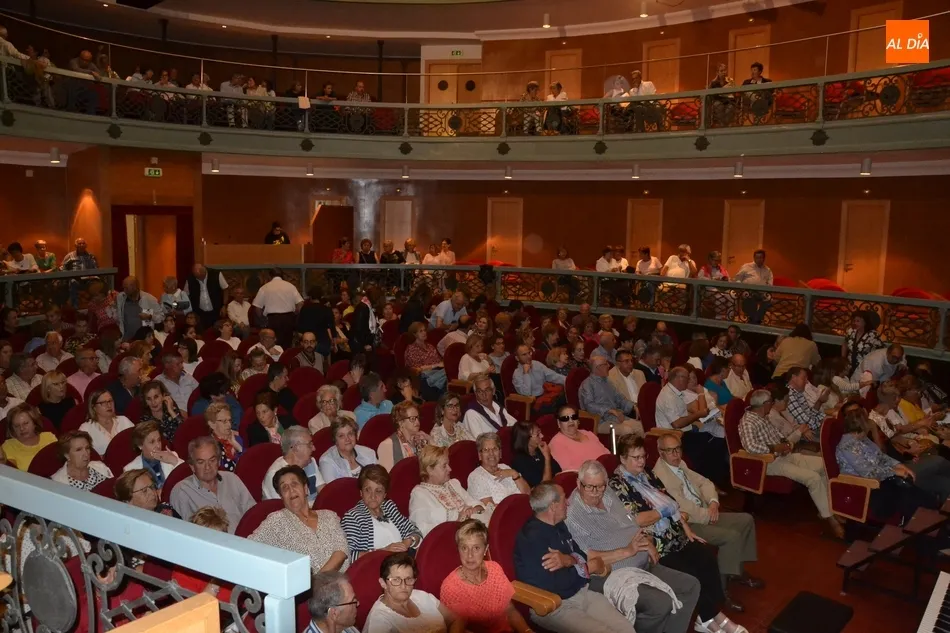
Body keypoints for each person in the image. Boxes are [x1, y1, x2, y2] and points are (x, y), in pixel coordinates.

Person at [603, 443, 741, 633]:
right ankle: (714, 618)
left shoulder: (647, 473)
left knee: (706, 558)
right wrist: (662, 511)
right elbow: (637, 519)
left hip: (674, 533)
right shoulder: (616, 484)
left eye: (643, 456)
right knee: (690, 574)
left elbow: (670, 501)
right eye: (636, 457)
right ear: (623, 459)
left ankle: (707, 615)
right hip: (656, 542)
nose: (641, 461)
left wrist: (686, 529)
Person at [513, 483, 636, 633]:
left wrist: (568, 560)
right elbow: (555, 584)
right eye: (564, 499)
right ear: (553, 506)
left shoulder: (559, 525)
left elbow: (580, 556)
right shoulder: (532, 539)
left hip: (581, 592)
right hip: (556, 605)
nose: (568, 503)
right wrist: (587, 568)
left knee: (626, 629)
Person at [653, 433, 760, 600]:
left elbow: (704, 482)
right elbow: (682, 506)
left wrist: (713, 502)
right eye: (670, 450)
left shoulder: (680, 464)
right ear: (661, 452)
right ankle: (721, 590)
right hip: (689, 523)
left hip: (705, 511)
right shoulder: (660, 475)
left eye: (678, 449)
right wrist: (708, 515)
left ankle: (736, 571)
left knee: (746, 520)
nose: (676, 454)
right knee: (731, 537)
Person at [739, 390, 844, 538]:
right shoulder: (747, 421)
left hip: (784, 456)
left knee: (824, 465)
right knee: (813, 478)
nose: (772, 404)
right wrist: (775, 448)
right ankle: (830, 518)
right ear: (764, 404)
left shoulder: (763, 417)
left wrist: (786, 444)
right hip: (768, 463)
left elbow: (779, 437)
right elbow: (751, 447)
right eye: (770, 402)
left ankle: (828, 509)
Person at [836, 404, 942, 524]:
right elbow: (868, 473)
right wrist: (894, 471)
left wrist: (899, 466)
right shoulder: (847, 445)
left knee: (920, 495)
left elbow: (881, 456)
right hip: (866, 488)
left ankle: (933, 521)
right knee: (912, 497)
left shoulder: (861, 438)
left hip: (882, 480)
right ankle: (920, 527)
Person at [250, 465, 350, 573]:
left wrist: (318, 580)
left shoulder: (329, 516)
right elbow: (248, 548)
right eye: (285, 488)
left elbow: (341, 551)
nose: (291, 490)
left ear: (305, 489)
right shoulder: (276, 521)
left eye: (294, 484)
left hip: (342, 579)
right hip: (304, 583)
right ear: (281, 497)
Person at [440, 519, 533, 633]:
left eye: (476, 548)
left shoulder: (494, 569)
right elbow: (458, 627)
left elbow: (509, 610)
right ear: (458, 549)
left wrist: (527, 631)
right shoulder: (451, 587)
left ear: (485, 549)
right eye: (464, 548)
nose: (470, 555)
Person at [655, 366, 729, 486]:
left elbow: (691, 411)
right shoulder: (667, 396)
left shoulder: (677, 392)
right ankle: (708, 482)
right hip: (674, 435)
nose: (689, 380)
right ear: (679, 378)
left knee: (715, 439)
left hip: (685, 431)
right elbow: (677, 423)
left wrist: (698, 413)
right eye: (687, 378)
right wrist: (698, 414)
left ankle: (714, 480)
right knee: (708, 444)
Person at [169, 436, 255, 531]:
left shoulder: (232, 479)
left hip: (245, 537)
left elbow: (253, 515)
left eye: (212, 460)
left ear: (218, 461)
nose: (208, 467)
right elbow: (185, 533)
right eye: (201, 462)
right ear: (192, 466)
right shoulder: (182, 492)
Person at [341, 464, 423, 562]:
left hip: (403, 562)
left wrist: (407, 542)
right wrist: (383, 552)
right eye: (368, 490)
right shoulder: (352, 517)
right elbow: (347, 555)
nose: (373, 496)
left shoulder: (389, 507)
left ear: (385, 494)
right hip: (375, 567)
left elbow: (415, 531)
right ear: (361, 492)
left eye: (378, 491)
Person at [409, 445, 491, 537]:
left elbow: (476, 503)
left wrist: (475, 509)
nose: (450, 469)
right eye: (444, 466)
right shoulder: (419, 494)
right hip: (450, 539)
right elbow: (422, 531)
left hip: (475, 531)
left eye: (448, 464)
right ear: (430, 470)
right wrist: (457, 522)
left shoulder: (453, 483)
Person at [364, 552, 451, 633]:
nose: (403, 586)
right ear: (383, 583)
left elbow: (455, 620)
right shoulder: (379, 620)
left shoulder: (422, 596)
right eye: (396, 580)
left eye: (408, 579)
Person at [580, 355, 643, 437]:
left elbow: (619, 398)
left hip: (615, 418)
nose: (609, 366)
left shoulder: (608, 381)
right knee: (627, 430)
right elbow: (589, 405)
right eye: (605, 364)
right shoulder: (587, 384)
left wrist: (633, 406)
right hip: (600, 421)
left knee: (640, 426)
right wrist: (610, 410)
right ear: (598, 368)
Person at [262, 426, 325, 503]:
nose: (314, 448)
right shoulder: (275, 475)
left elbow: (324, 493)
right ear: (296, 448)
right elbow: (285, 508)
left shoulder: (310, 462)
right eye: (309, 444)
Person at [468, 431, 530, 505]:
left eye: (495, 449)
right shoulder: (476, 477)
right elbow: (490, 508)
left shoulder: (505, 467)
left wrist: (514, 473)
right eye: (486, 450)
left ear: (500, 453)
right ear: (480, 455)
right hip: (510, 511)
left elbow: (527, 492)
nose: (491, 453)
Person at [252, 268, 304, 348]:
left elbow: (257, 307)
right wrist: (295, 314)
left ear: (270, 276)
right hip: (288, 319)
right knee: (287, 345)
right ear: (282, 275)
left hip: (272, 320)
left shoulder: (264, 288)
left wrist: (263, 319)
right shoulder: (290, 286)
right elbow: (300, 303)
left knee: (273, 345)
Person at [123, 420, 183, 488]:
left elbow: (188, 477)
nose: (158, 445)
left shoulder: (172, 456)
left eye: (159, 440)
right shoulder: (130, 469)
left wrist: (174, 461)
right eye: (152, 442)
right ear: (140, 445)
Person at [548, 405, 608, 472]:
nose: (571, 421)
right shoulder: (556, 443)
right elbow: (569, 471)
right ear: (559, 423)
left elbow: (606, 453)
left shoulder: (588, 434)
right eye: (565, 418)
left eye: (574, 417)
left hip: (606, 471)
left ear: (578, 420)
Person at [319, 417, 378, 483]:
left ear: (355, 435)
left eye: (350, 434)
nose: (347, 439)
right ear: (335, 440)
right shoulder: (327, 461)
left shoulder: (369, 453)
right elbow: (333, 488)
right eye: (341, 436)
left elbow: (379, 480)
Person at [1, 403, 57, 471]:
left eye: (25, 423)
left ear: (34, 423)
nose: (22, 428)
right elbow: (12, 473)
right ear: (12, 429)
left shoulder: (49, 437)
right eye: (17, 426)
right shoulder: (8, 447)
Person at [377, 401, 431, 471]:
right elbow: (387, 475)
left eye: (418, 418)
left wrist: (430, 440)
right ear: (400, 422)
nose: (417, 422)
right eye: (412, 419)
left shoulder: (422, 440)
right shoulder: (388, 445)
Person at [79, 388, 135, 455]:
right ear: (94, 407)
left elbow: (138, 442)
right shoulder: (86, 428)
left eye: (110, 401)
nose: (109, 405)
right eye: (103, 403)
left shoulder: (124, 420)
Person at [462, 373, 517, 437]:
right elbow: (480, 441)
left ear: (493, 391)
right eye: (479, 391)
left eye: (487, 390)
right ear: (475, 394)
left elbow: (515, 425)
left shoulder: (498, 407)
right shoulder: (471, 414)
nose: (484, 395)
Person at [510, 420, 561, 487]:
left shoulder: (539, 450)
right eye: (537, 434)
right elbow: (544, 486)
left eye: (540, 432)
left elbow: (558, 471)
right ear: (526, 439)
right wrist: (547, 458)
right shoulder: (520, 461)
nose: (542, 436)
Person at [733, 250, 772, 324]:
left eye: (761, 257)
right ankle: (754, 319)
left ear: (764, 258)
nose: (759, 259)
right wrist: (740, 289)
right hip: (748, 291)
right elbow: (737, 279)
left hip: (762, 293)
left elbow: (770, 284)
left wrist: (766, 291)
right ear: (754, 258)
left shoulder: (767, 270)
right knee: (750, 297)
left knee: (768, 299)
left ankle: (756, 319)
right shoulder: (746, 267)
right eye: (757, 257)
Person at [204, 402, 243, 472]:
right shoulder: (209, 447)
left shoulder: (237, 438)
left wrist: (237, 445)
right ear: (212, 424)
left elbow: (248, 462)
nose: (229, 425)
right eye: (224, 421)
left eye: (229, 420)